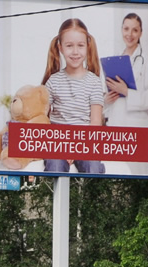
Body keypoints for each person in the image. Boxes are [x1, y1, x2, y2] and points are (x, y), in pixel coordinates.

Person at [40, 18, 105, 174]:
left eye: (80, 46)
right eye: (69, 46)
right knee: (55, 165)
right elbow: (43, 117)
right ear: (60, 47)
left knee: (93, 167)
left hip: (85, 140)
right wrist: (61, 147)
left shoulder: (94, 82)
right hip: (57, 140)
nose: (75, 52)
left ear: (88, 47)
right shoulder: (53, 81)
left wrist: (78, 148)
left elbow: (95, 122)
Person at [104, 13, 148, 173]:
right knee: (115, 172)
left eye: (134, 30)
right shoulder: (115, 60)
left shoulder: (146, 61)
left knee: (136, 174)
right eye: (126, 29)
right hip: (116, 126)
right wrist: (107, 99)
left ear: (141, 33)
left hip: (136, 128)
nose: (129, 34)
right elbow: (107, 101)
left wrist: (126, 92)